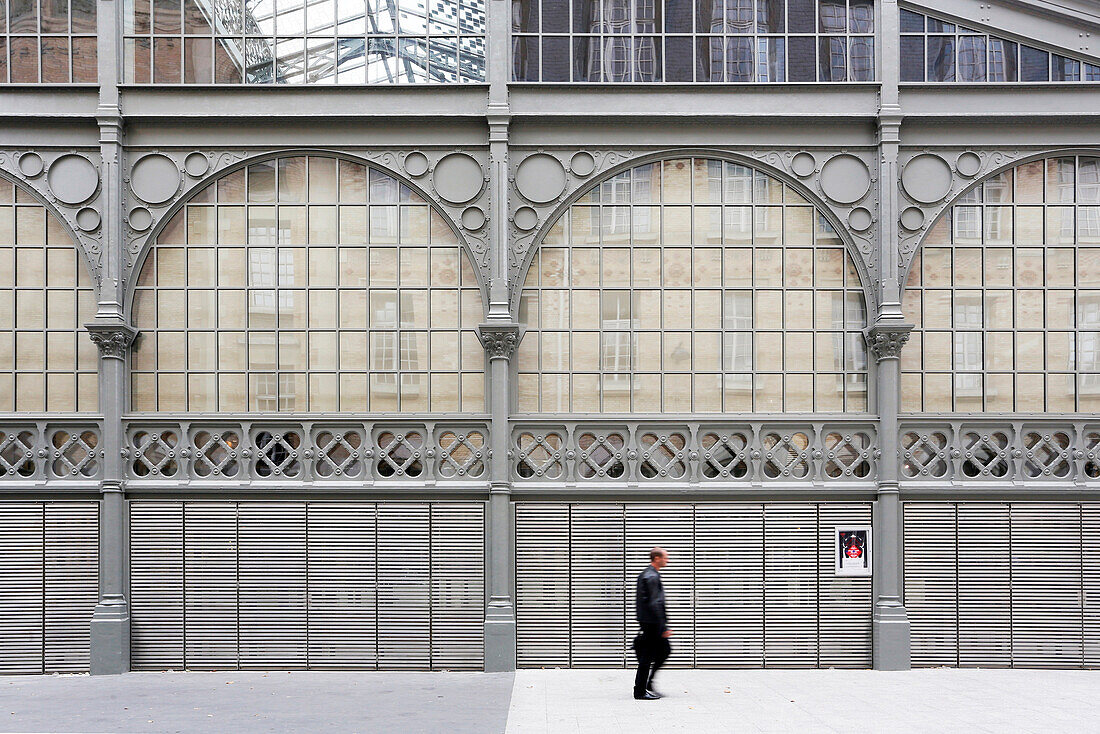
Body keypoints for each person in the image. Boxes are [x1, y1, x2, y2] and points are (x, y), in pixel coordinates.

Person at [633, 546, 671, 700]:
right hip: (652, 624)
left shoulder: (647, 574)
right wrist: (663, 627)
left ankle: (647, 684)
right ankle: (640, 690)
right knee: (646, 658)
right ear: (657, 558)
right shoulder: (652, 577)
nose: (667, 560)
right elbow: (655, 603)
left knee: (664, 650)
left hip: (648, 623)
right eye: (665, 557)